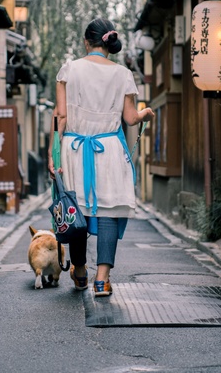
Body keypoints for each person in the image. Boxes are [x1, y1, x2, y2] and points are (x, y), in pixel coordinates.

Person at [48, 18, 154, 297]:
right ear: (108, 44)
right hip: (107, 150)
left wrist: (53, 154)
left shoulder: (70, 70)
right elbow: (131, 119)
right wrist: (146, 113)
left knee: (77, 209)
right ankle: (102, 279)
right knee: (108, 211)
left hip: (73, 148)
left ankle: (80, 271)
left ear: (87, 42)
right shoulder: (123, 74)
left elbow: (60, 116)